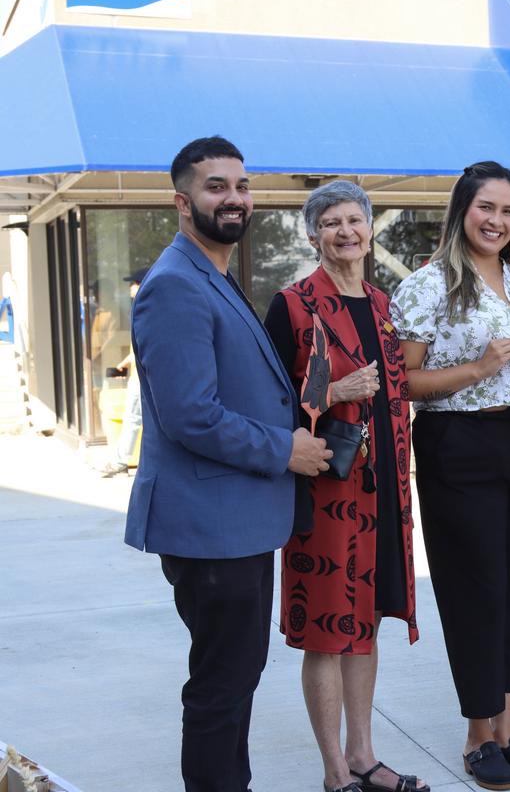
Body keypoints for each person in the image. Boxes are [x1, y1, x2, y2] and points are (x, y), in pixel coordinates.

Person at [124, 136, 332, 792]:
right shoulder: (175, 287)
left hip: (234, 520)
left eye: (241, 186)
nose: (235, 198)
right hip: (211, 524)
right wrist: (284, 448)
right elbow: (190, 415)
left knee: (234, 677)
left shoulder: (211, 273)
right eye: (217, 187)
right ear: (183, 202)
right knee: (222, 684)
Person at [390, 161, 510, 792]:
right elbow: (405, 382)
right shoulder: (428, 286)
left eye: (509, 211)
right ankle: (476, 736)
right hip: (460, 443)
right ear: (462, 210)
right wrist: (479, 368)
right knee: (475, 589)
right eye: (486, 207)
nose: (497, 220)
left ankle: (509, 733)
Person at [263, 181, 427, 792]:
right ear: (313, 235)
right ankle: (336, 770)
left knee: (368, 623)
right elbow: (267, 404)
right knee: (329, 632)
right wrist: (333, 392)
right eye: (331, 222)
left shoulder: (386, 305)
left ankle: (364, 754)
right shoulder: (293, 304)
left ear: (370, 229)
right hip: (327, 494)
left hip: (384, 491)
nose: (345, 232)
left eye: (354, 221)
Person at [99, 266, 148, 478]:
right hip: (137, 375)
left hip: (140, 379)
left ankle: (120, 461)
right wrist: (125, 363)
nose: (130, 288)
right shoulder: (139, 308)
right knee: (135, 418)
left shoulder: (145, 308)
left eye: (134, 283)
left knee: (132, 418)